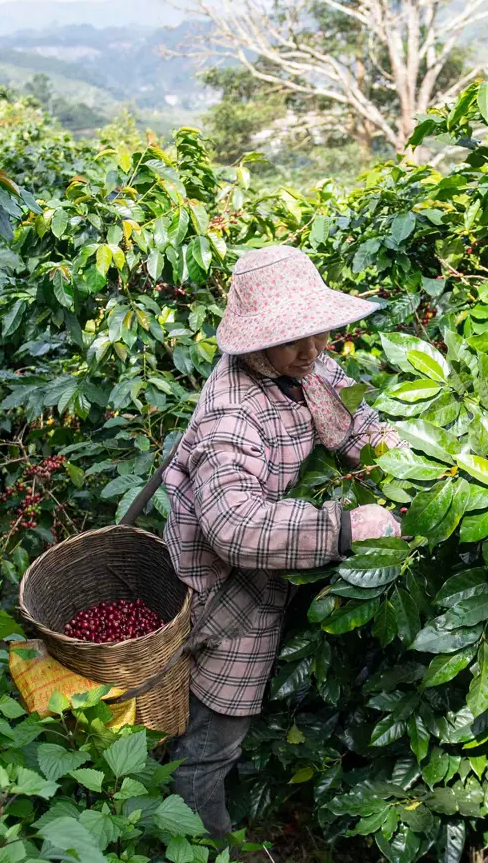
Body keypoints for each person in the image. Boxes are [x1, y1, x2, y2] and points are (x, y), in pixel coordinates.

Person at [163, 245, 404, 837]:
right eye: (295, 339)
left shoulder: (304, 364)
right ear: (254, 343)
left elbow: (353, 420)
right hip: (223, 597)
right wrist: (345, 527)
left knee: (207, 721)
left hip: (267, 576)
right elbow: (235, 526)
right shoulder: (232, 414)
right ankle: (196, 839)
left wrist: (408, 459)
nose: (314, 349)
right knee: (212, 739)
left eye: (317, 333)